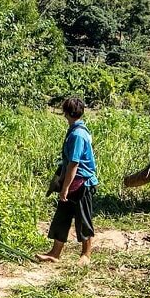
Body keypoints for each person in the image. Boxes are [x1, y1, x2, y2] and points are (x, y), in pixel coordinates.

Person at [37, 97, 98, 263]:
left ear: (66, 113)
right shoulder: (74, 130)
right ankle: (55, 253)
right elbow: (66, 162)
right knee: (61, 218)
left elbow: (74, 164)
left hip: (81, 184)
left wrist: (65, 188)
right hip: (71, 182)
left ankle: (86, 255)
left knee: (83, 219)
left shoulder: (78, 134)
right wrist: (60, 181)